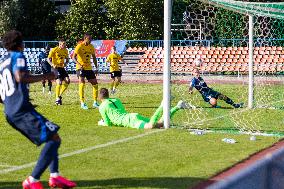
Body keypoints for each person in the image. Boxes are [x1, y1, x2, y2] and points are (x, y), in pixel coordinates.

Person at [0, 30, 76, 189]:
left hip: (14, 111)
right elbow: (20, 77)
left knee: (53, 135)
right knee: (54, 139)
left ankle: (55, 176)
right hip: (20, 111)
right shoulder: (18, 56)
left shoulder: (3, 62)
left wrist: (13, 103)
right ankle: (32, 180)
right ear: (20, 43)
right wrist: (47, 76)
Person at [98, 88, 186, 129]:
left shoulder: (102, 106)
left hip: (129, 121)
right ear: (108, 95)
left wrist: (101, 123)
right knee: (160, 124)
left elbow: (108, 123)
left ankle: (163, 104)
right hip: (132, 116)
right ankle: (178, 106)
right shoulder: (116, 100)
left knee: (150, 126)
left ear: (99, 97)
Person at [72, 33, 99, 109]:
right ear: (85, 38)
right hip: (80, 68)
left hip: (89, 68)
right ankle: (82, 103)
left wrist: (96, 68)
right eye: (89, 38)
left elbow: (94, 57)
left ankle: (95, 102)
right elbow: (73, 57)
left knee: (95, 84)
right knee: (82, 83)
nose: (91, 40)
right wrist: (79, 64)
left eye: (91, 39)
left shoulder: (91, 46)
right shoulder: (79, 46)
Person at [47, 39, 69, 105]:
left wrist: (66, 63)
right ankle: (57, 99)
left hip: (62, 68)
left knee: (67, 81)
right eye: (62, 44)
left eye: (64, 44)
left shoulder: (65, 50)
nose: (64, 45)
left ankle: (59, 96)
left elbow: (67, 59)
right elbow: (48, 59)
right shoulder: (54, 50)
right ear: (59, 44)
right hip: (55, 68)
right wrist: (52, 64)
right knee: (59, 82)